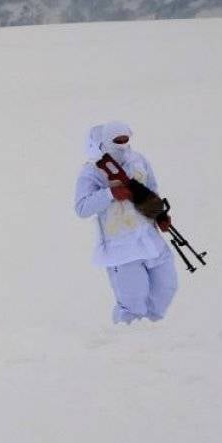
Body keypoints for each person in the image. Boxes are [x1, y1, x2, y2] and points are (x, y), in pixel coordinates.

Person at [74, 121, 178, 324]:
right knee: (133, 302)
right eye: (117, 140)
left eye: (125, 139)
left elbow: (152, 189)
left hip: (151, 241)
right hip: (121, 247)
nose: (122, 144)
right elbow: (82, 208)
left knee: (166, 288)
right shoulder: (93, 170)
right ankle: (126, 341)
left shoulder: (138, 161)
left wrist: (160, 215)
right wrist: (110, 193)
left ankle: (151, 334)